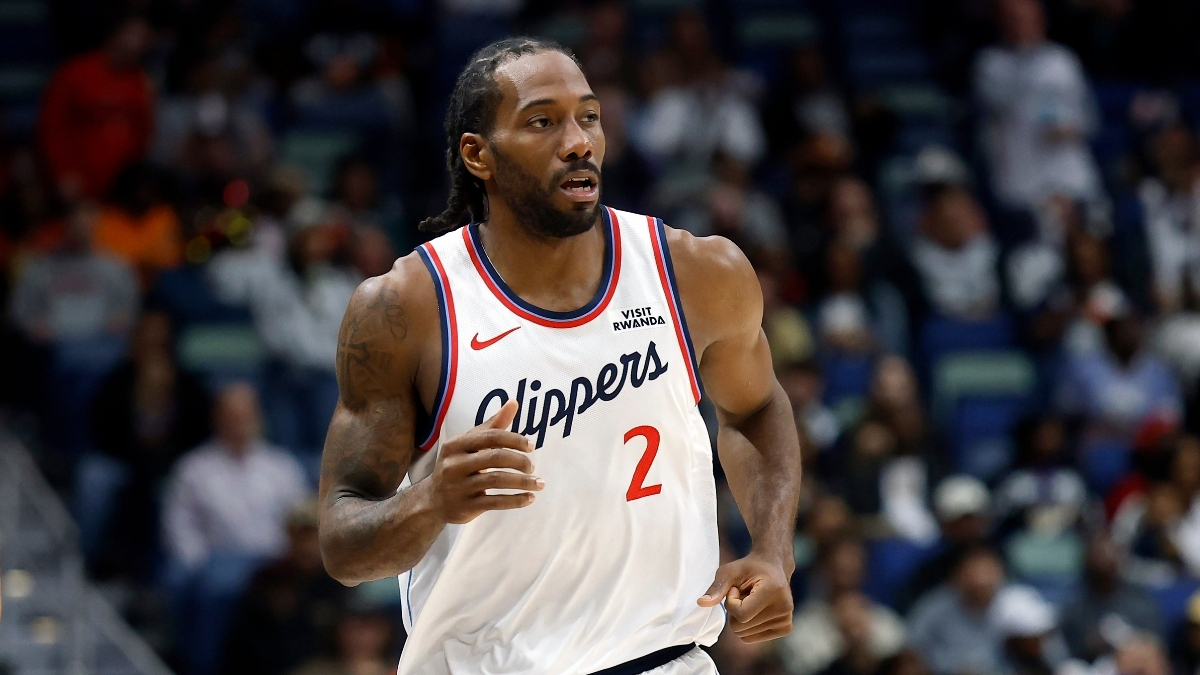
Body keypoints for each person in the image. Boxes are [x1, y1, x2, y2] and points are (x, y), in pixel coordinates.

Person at [317, 37, 802, 674]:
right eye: (542, 121)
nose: (578, 141)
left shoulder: (697, 272)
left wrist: (771, 549)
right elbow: (343, 544)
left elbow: (757, 407)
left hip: (662, 659)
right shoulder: (405, 309)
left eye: (590, 116)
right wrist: (430, 502)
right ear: (478, 155)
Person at [162, 382, 309, 572]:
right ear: (217, 419)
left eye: (246, 416)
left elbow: (301, 521)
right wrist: (198, 566)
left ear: (259, 418)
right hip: (216, 567)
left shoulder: (283, 466)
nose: (240, 424)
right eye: (232, 417)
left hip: (275, 566)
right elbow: (179, 526)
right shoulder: (193, 469)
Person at [37, 13, 155, 201]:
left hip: (121, 191)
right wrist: (61, 172)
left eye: (143, 36)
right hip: (78, 183)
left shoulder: (142, 82)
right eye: (133, 34)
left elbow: (144, 133)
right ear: (115, 34)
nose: (139, 42)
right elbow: (52, 127)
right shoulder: (75, 73)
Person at [1060, 532, 1163, 662]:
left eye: (1109, 554)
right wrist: (1093, 644)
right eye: (1098, 554)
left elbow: (1157, 642)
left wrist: (1129, 645)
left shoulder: (1138, 599)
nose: (1104, 560)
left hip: (1132, 664)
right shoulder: (1076, 604)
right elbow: (1068, 647)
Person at [906, 546, 1008, 675]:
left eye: (988, 573)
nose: (982, 581)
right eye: (973, 573)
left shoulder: (1013, 604)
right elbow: (911, 649)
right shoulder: (934, 606)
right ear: (958, 575)